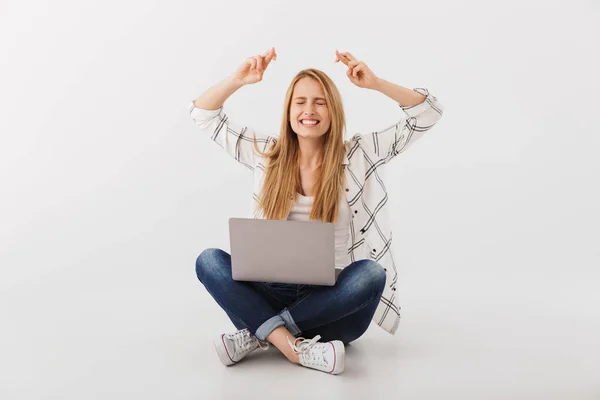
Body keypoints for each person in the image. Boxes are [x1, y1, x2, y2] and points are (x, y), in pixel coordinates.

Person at [189, 47, 444, 375]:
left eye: (319, 101)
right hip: (271, 292)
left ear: (333, 110)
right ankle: (294, 347)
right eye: (301, 101)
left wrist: (376, 83)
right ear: (289, 111)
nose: (309, 110)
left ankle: (262, 334)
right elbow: (202, 115)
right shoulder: (265, 154)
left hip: (333, 306)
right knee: (209, 260)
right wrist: (237, 80)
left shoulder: (360, 154)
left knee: (371, 274)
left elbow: (427, 114)